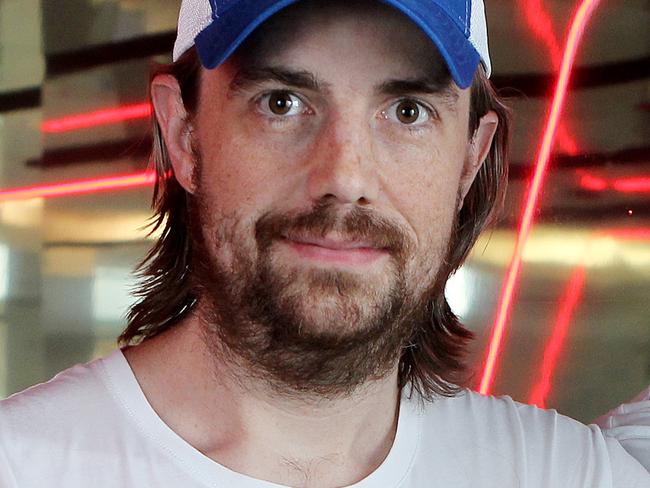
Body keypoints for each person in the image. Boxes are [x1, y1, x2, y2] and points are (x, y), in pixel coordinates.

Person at [0, 0, 648, 486]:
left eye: (407, 112)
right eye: (281, 102)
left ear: (469, 161)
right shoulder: (24, 465)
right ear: (185, 135)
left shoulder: (568, 475)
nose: (343, 176)